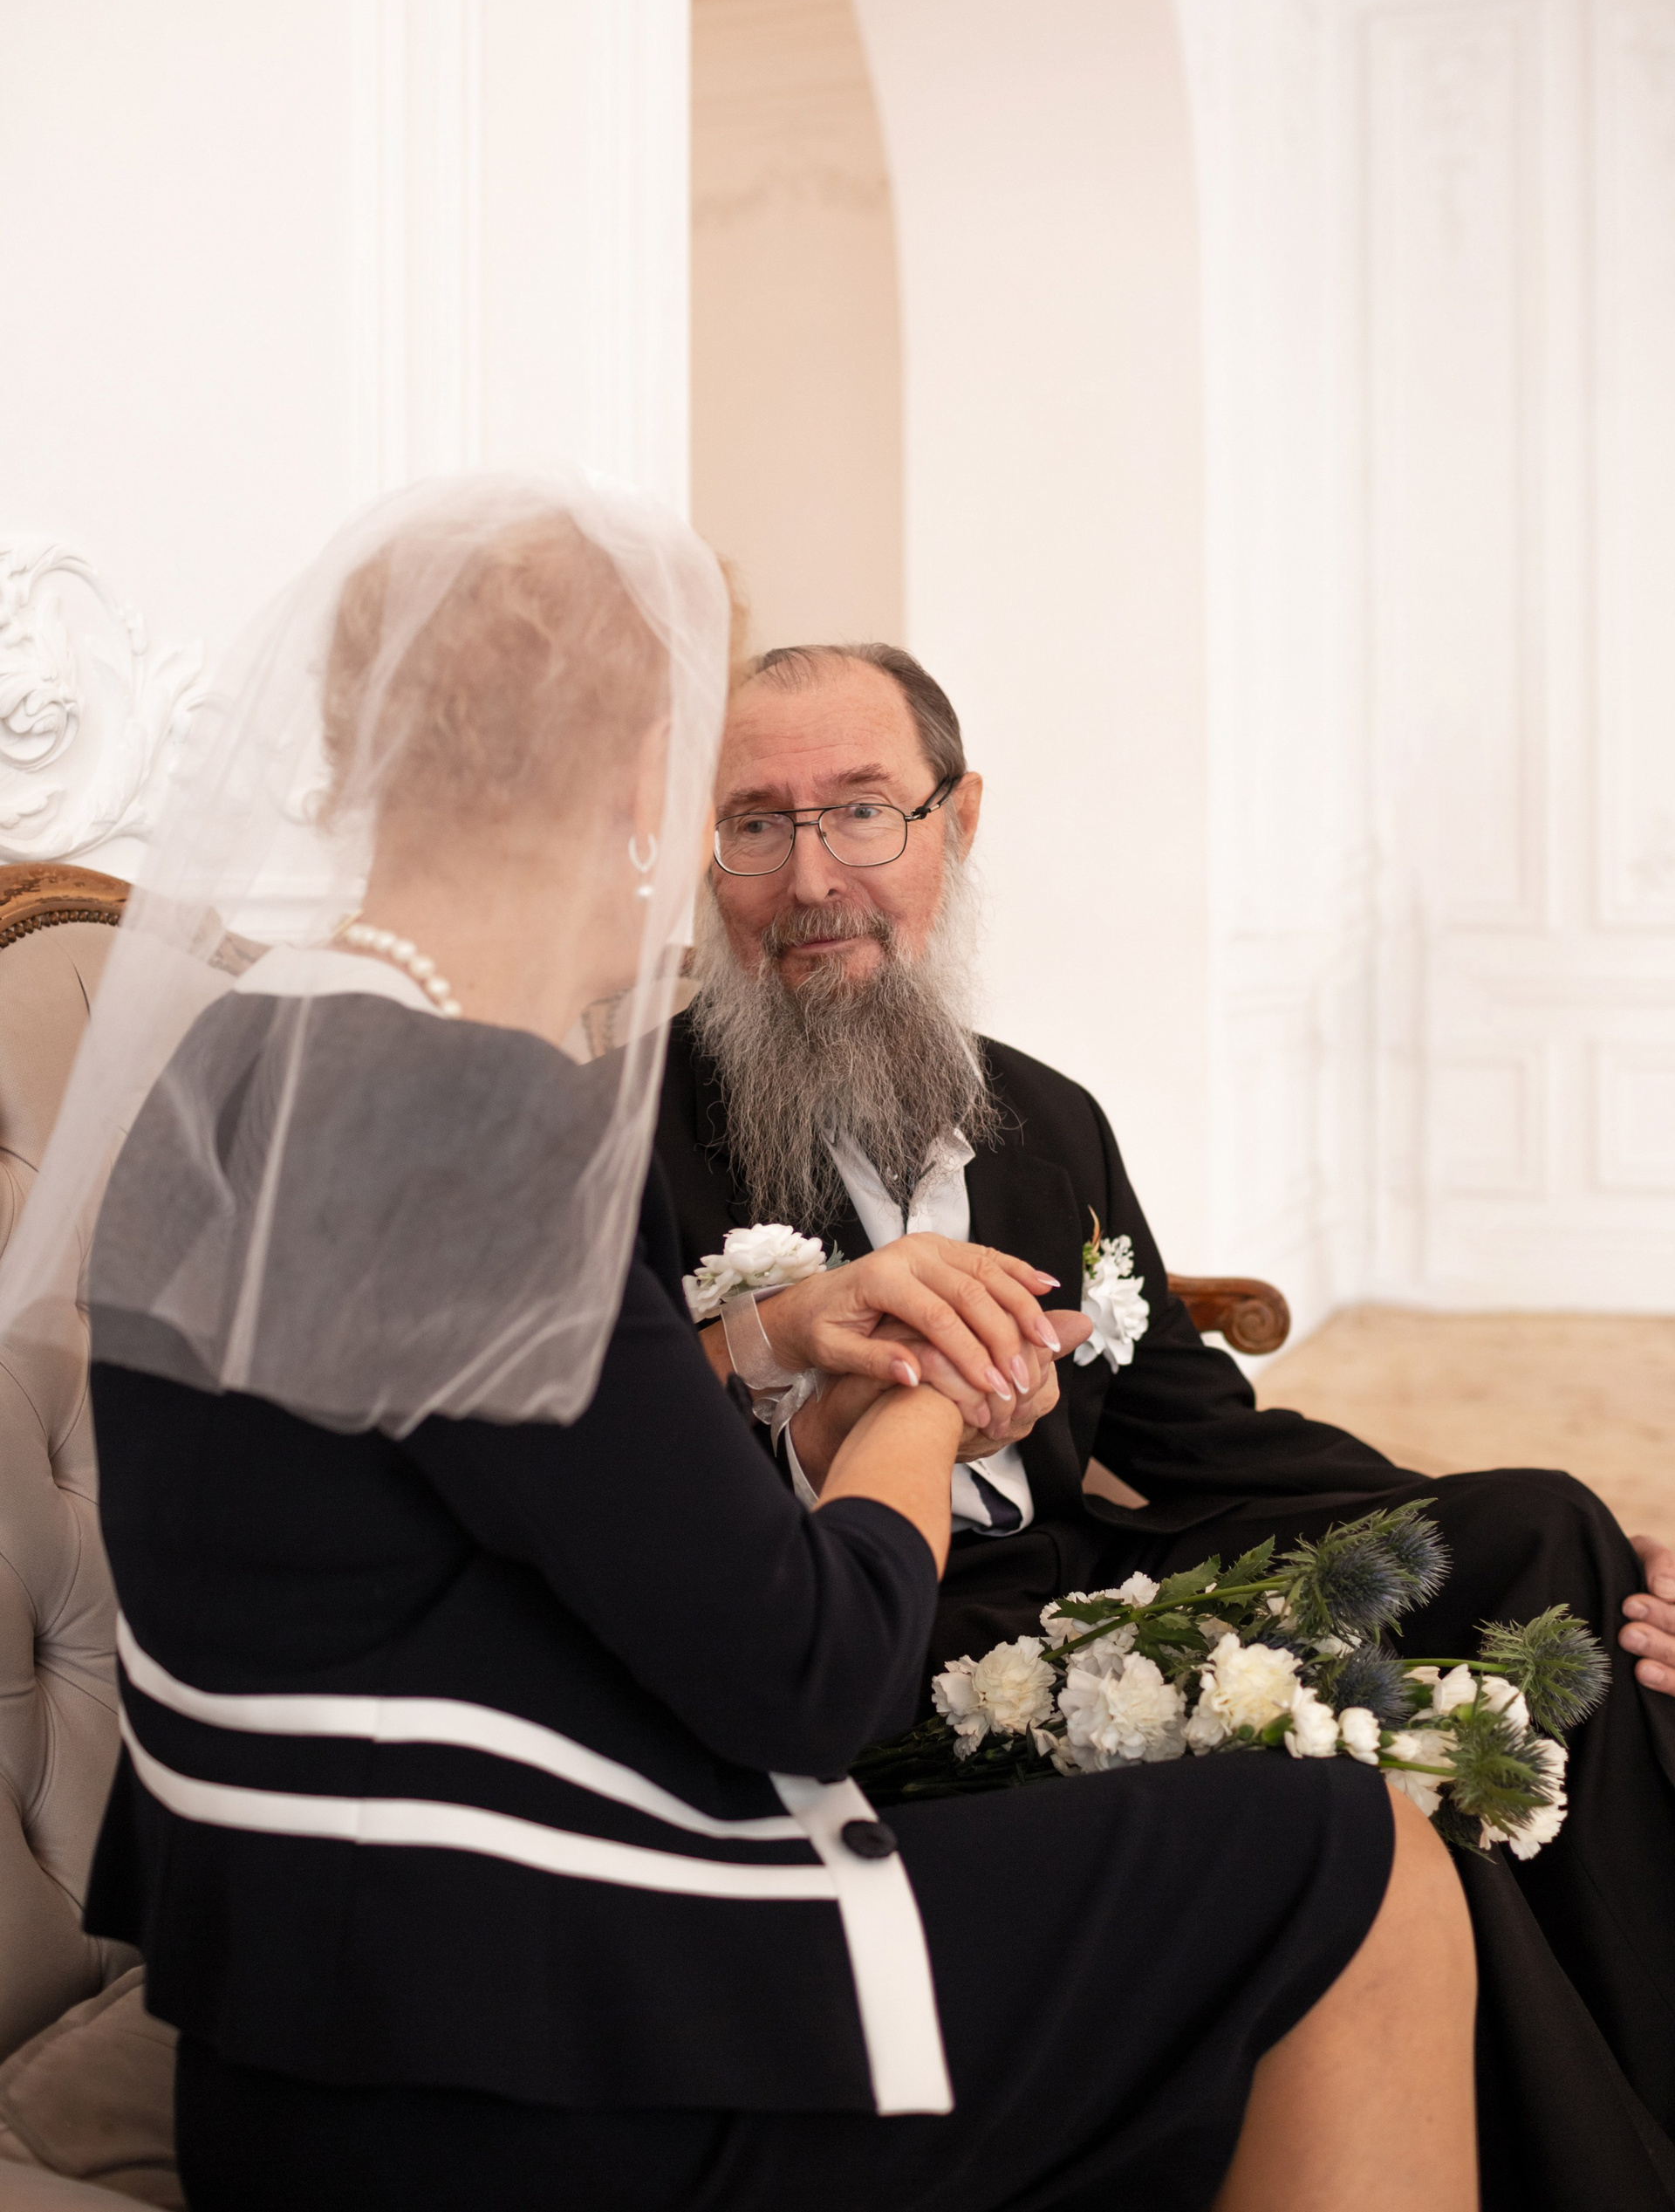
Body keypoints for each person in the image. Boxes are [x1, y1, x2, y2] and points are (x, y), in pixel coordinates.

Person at [3, 475, 1479, 2211]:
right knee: (1352, 1857)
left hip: (297, 2037)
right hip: (523, 2066)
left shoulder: (241, 1058)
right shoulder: (484, 1116)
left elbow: (474, 1485)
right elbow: (817, 1674)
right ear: (652, 782)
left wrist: (784, 1370)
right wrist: (932, 1393)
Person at [655, 638, 1675, 2201]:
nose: (811, 877)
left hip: (1087, 1586)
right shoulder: (635, 1133)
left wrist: (1573, 1539)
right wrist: (777, 1347)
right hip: (878, 1650)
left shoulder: (1048, 1119)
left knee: (1553, 1534)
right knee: (1391, 1818)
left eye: (861, 810)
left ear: (956, 822)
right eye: (755, 823)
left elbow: (1209, 1440)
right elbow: (605, 1454)